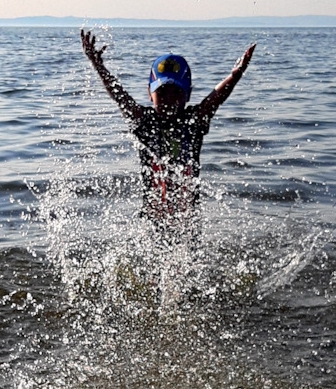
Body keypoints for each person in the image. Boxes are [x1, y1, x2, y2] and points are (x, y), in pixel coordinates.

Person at [80, 29, 256, 237]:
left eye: (176, 93)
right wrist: (98, 66)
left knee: (188, 260)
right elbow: (119, 96)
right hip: (152, 219)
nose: (169, 100)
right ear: (150, 93)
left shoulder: (193, 122)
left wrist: (236, 75)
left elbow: (214, 99)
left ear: (188, 94)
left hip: (187, 221)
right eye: (162, 93)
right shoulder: (144, 123)